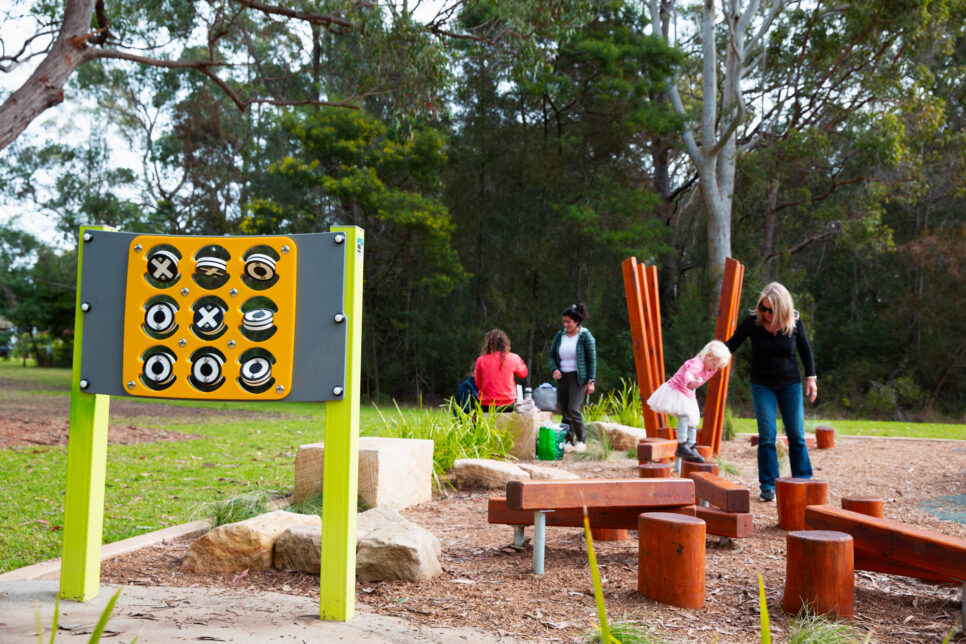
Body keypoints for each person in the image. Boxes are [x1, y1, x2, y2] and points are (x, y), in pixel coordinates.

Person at [725, 282, 818, 503]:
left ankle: (803, 481)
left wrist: (811, 377)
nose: (766, 314)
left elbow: (805, 349)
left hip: (790, 384)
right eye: (763, 308)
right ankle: (768, 486)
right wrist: (708, 359)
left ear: (782, 309)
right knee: (767, 437)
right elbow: (731, 345)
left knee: (796, 436)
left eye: (771, 310)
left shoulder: (794, 321)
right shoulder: (752, 321)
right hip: (762, 385)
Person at [647, 340, 732, 463]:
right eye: (714, 364)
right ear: (707, 356)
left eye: (717, 367)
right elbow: (688, 372)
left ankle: (691, 447)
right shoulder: (697, 363)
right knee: (685, 416)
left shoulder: (711, 369)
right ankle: (682, 445)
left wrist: (695, 383)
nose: (715, 369)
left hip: (688, 394)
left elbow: (703, 376)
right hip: (677, 390)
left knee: (693, 420)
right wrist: (690, 381)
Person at [548, 303, 596, 452]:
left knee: (573, 408)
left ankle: (581, 441)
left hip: (578, 377)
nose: (565, 324)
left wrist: (591, 381)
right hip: (563, 377)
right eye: (564, 321)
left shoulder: (585, 336)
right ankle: (569, 441)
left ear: (576, 321)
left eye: (568, 321)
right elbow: (552, 355)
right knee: (564, 410)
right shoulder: (559, 335)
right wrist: (555, 368)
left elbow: (591, 359)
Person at [474, 329, 528, 412]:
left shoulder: (481, 360)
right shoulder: (514, 358)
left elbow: (478, 384)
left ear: (488, 344)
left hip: (486, 405)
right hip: (507, 405)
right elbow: (523, 374)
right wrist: (521, 361)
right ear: (505, 343)